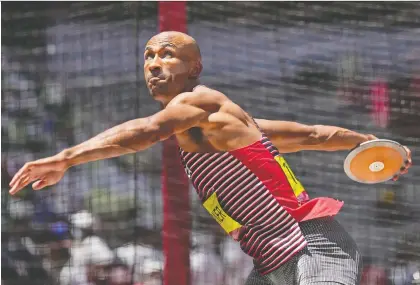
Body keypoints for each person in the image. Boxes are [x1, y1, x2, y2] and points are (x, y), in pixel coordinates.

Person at [9, 31, 412, 285]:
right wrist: (369, 140)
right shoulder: (230, 129)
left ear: (195, 67)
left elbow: (143, 133)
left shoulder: (200, 101)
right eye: (148, 57)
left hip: (312, 244)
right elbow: (310, 135)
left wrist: (64, 157)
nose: (154, 64)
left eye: (167, 55)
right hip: (273, 259)